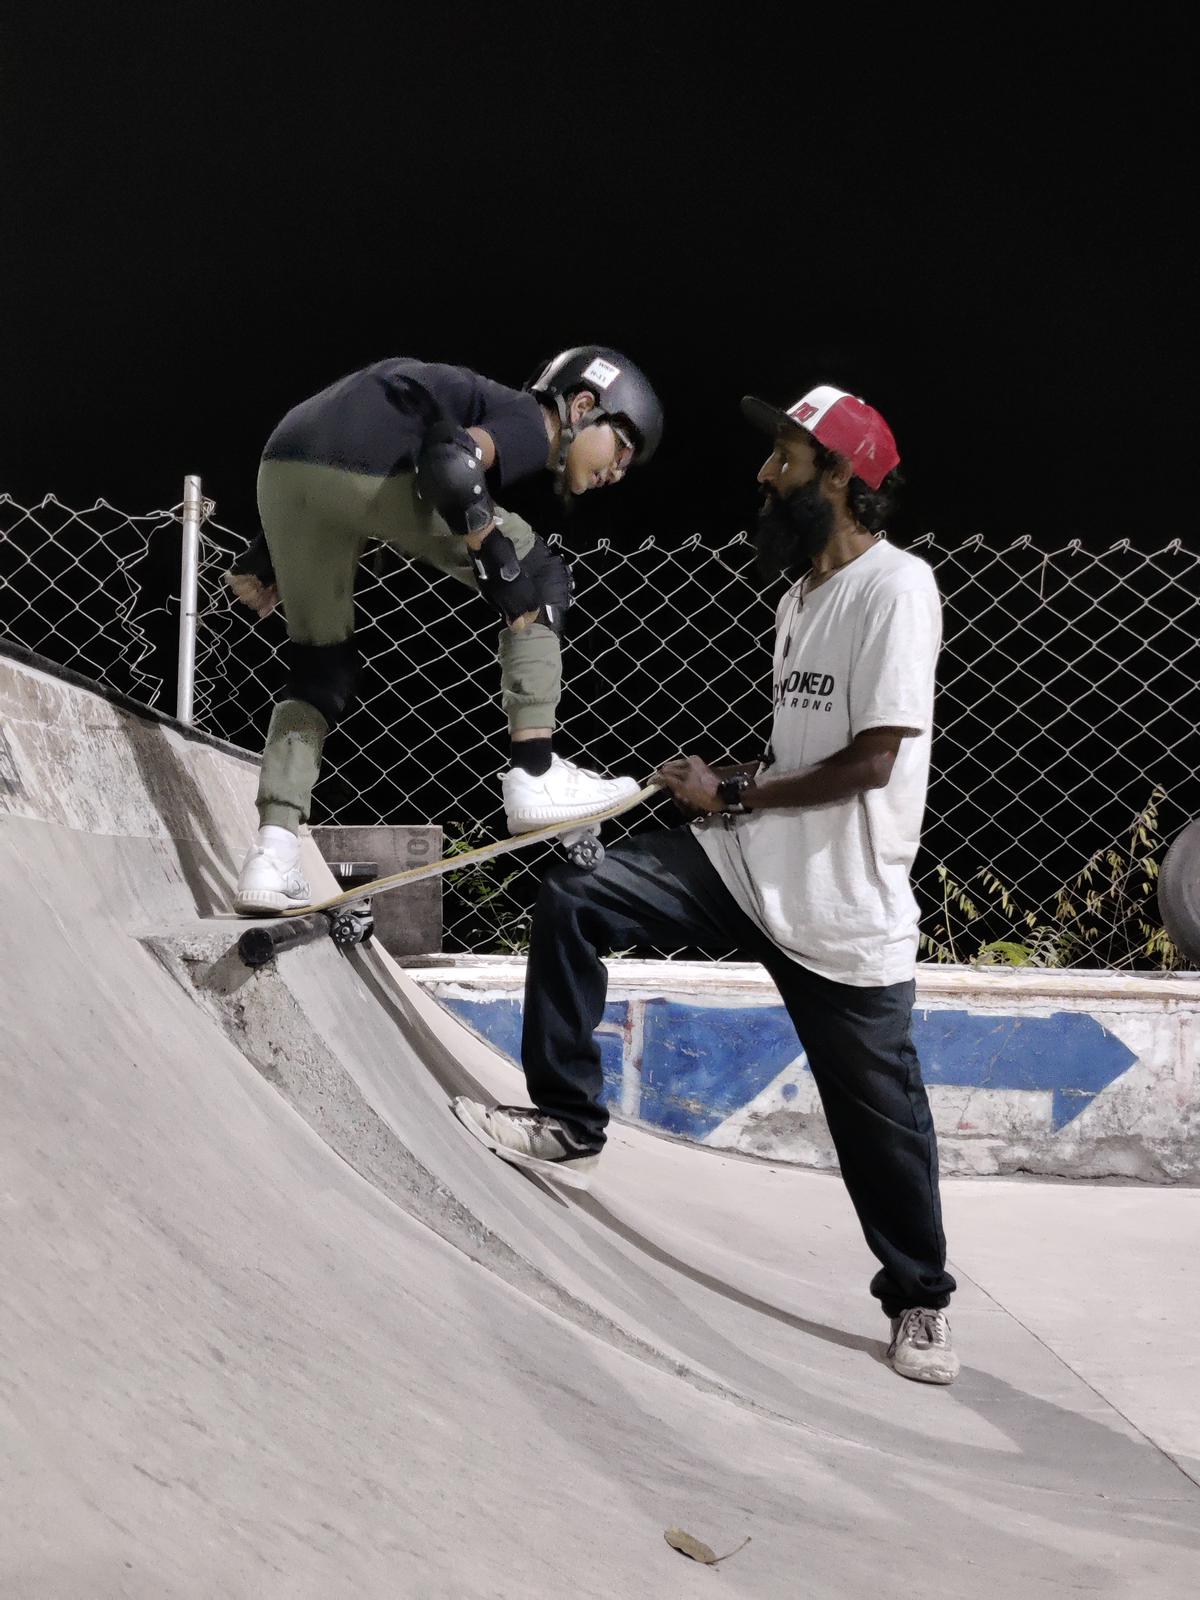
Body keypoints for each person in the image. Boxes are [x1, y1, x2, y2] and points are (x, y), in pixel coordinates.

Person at [453, 383, 961, 1385]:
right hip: (748, 863)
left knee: (882, 1126)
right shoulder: (799, 596)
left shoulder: (899, 588)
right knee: (578, 895)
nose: (762, 473)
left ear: (842, 477)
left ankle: (920, 1298)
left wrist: (729, 787)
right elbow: (802, 756)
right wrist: (726, 789)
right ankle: (568, 1119)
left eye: (784, 456)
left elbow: (871, 762)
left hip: (841, 909)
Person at [227, 346, 662, 914]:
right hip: (367, 466)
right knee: (539, 572)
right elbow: (451, 459)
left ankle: (272, 851)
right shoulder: (536, 422)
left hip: (284, 469)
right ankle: (536, 771)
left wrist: (270, 550)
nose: (619, 472)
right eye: (623, 449)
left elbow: (334, 442)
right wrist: (493, 553)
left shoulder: (462, 392)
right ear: (583, 406)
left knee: (321, 665)